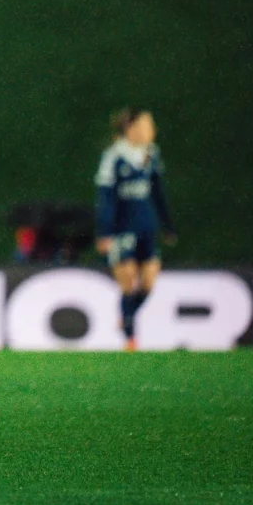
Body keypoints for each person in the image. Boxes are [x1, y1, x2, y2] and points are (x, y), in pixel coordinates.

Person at [95, 108, 177, 351]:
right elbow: (106, 198)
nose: (151, 131)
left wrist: (168, 225)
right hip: (123, 229)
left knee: (149, 282)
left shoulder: (152, 154)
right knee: (129, 281)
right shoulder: (113, 157)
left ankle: (127, 316)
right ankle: (131, 339)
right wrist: (105, 232)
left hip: (147, 227)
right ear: (130, 129)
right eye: (145, 125)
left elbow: (158, 193)